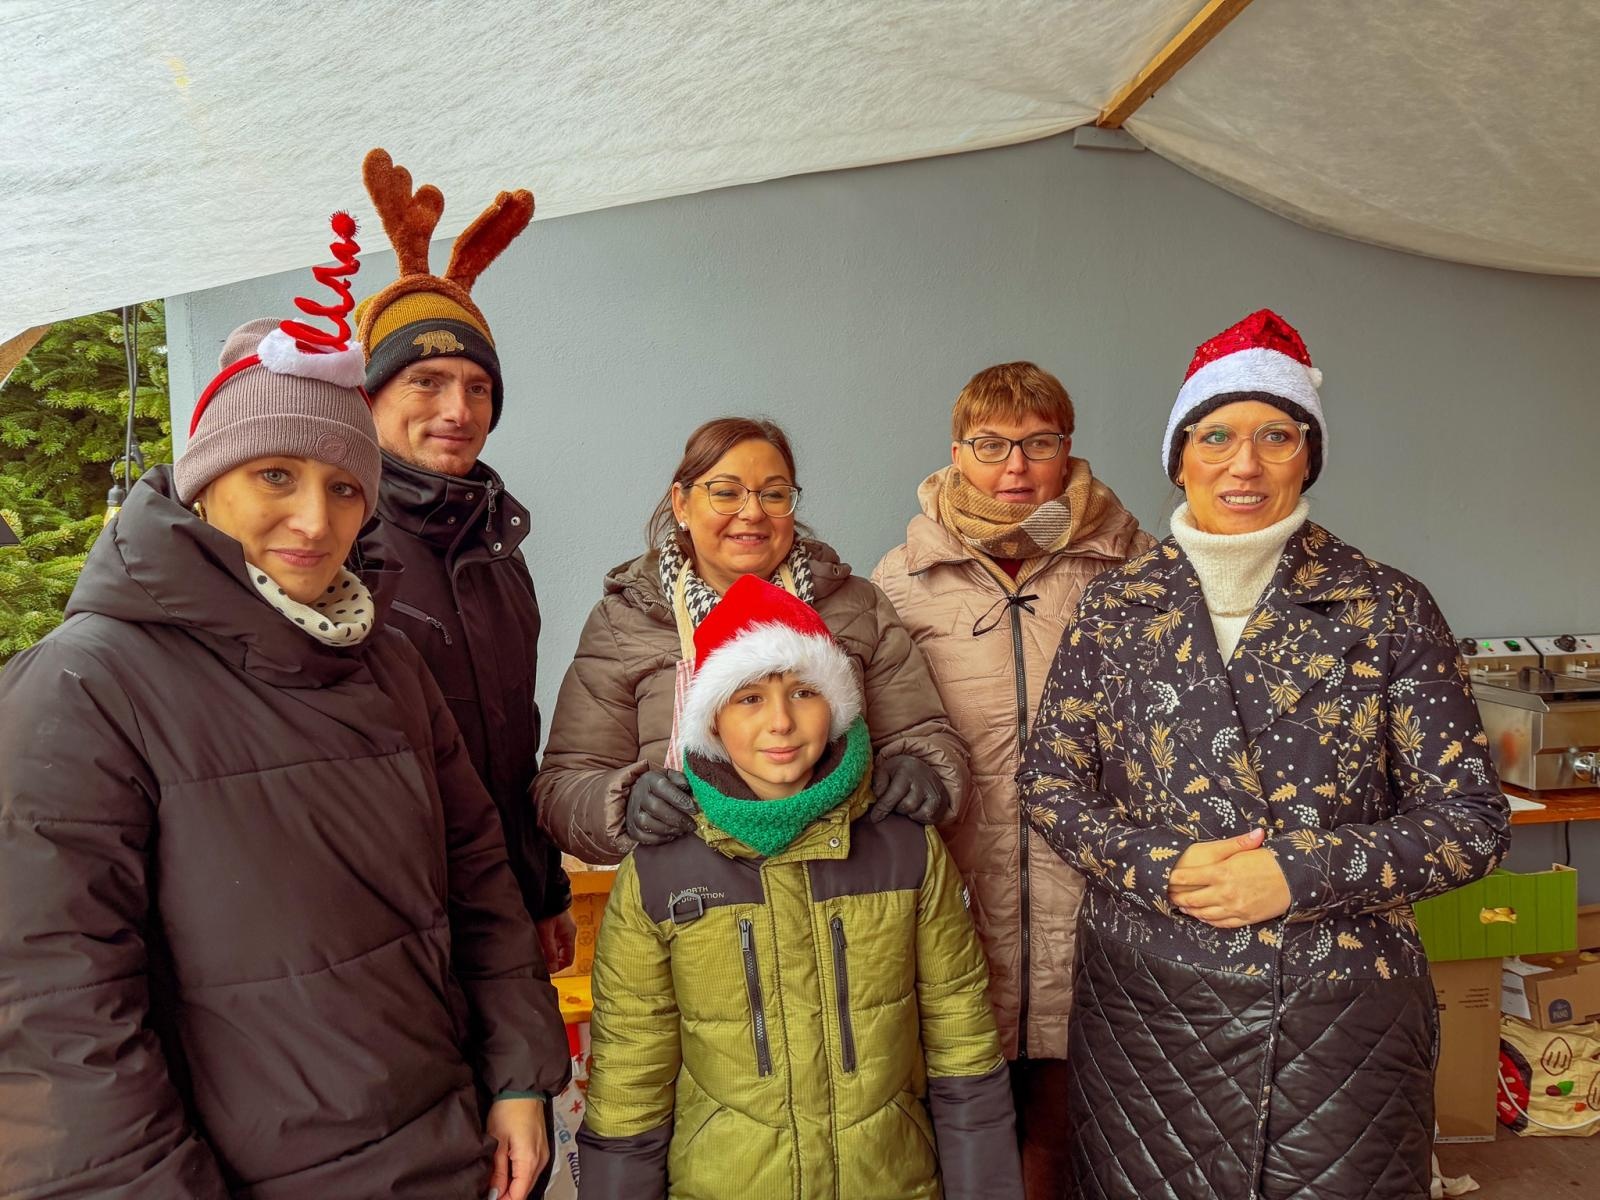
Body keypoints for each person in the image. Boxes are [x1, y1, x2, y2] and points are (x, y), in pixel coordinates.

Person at [0, 220, 568, 1200]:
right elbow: (57, 1011)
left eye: (344, 489)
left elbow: (477, 877)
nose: (314, 521)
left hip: (442, 1145)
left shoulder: (386, 662)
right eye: (275, 475)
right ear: (205, 477)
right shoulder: (86, 685)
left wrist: (519, 1072)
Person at [1018, 309, 1510, 1199]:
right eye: (1217, 437)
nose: (1243, 465)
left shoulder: (1386, 608)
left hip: (1335, 1021)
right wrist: (1158, 864)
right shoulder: (1115, 607)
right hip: (1147, 1012)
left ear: (1308, 455)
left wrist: (1299, 873)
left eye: (1275, 436)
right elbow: (1049, 785)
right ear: (1180, 456)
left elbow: (1472, 822)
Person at [577, 576, 1023, 1199]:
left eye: (805, 692)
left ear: (838, 706)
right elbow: (629, 1081)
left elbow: (964, 1046)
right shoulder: (659, 873)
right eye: (749, 698)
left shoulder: (905, 850)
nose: (781, 722)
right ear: (713, 719)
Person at [872, 361, 1154, 1197]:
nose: (1015, 468)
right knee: (965, 1128)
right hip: (961, 887)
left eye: (1038, 444)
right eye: (991, 445)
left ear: (1069, 449)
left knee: (1081, 1135)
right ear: (956, 452)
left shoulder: (1133, 565)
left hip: (1097, 891)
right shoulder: (900, 579)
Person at [536, 416, 968, 864]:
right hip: (691, 904)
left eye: (774, 494)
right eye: (726, 492)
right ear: (681, 504)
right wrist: (621, 802)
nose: (753, 512)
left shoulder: (858, 608)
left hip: (847, 895)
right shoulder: (624, 623)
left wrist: (925, 770)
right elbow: (562, 787)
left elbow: (926, 736)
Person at [354, 148, 574, 974]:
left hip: (503, 916)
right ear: (368, 395)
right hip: (393, 935)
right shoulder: (333, 548)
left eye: (478, 388)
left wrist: (543, 886)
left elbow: (514, 744)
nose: (457, 410)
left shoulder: (497, 547)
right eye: (427, 382)